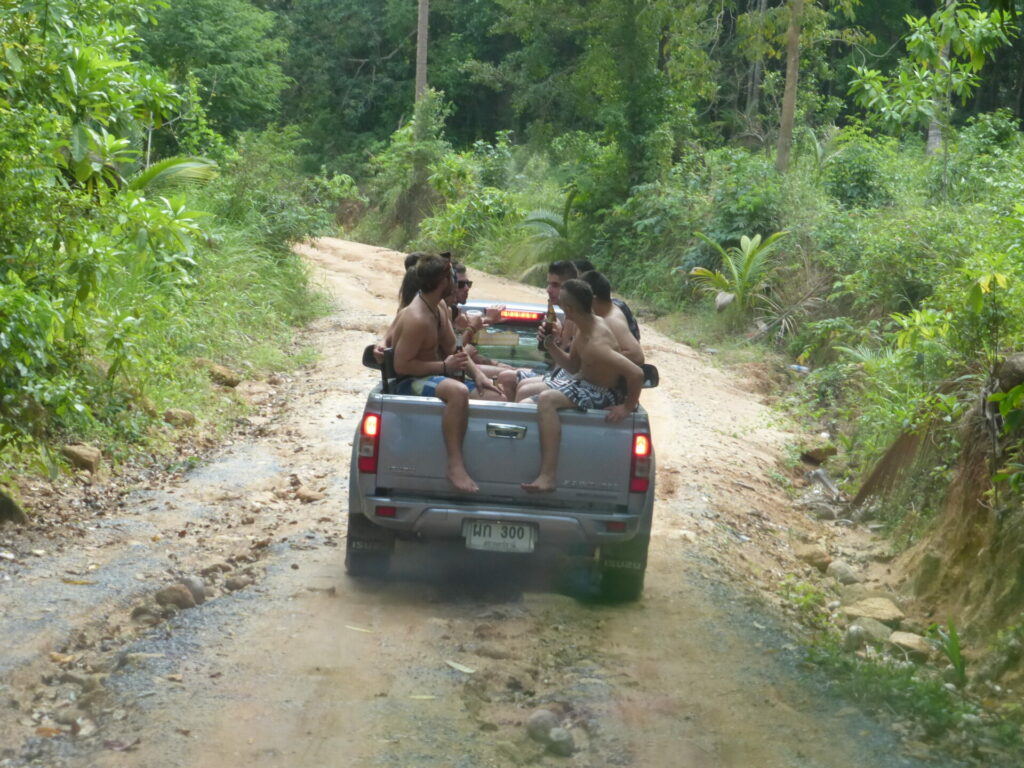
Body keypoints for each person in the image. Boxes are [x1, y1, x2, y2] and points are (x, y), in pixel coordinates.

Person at [390, 254, 501, 493]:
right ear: (442, 280)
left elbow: (454, 349)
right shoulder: (416, 317)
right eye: (453, 277)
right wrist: (444, 367)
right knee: (457, 390)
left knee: (498, 392)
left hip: (437, 375)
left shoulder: (439, 306)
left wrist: (479, 376)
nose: (457, 282)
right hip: (410, 381)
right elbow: (401, 365)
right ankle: (455, 465)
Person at [522, 279, 644, 493]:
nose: (556, 302)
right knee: (524, 400)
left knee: (547, 400)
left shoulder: (597, 344)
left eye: (559, 301)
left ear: (568, 309)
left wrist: (626, 407)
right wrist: (551, 347)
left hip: (602, 392)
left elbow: (637, 373)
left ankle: (548, 475)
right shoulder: (584, 326)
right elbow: (572, 365)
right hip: (582, 381)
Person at [496, 260, 579, 401]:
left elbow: (573, 367)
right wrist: (554, 341)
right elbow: (556, 362)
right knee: (505, 377)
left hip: (569, 380)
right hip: (554, 373)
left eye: (555, 285)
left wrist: (554, 343)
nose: (548, 289)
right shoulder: (565, 316)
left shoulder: (577, 316)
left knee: (524, 389)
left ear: (570, 287)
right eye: (548, 284)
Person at [579, 270, 644, 365]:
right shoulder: (604, 311)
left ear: (592, 299)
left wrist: (598, 357)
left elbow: (637, 356)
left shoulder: (612, 320)